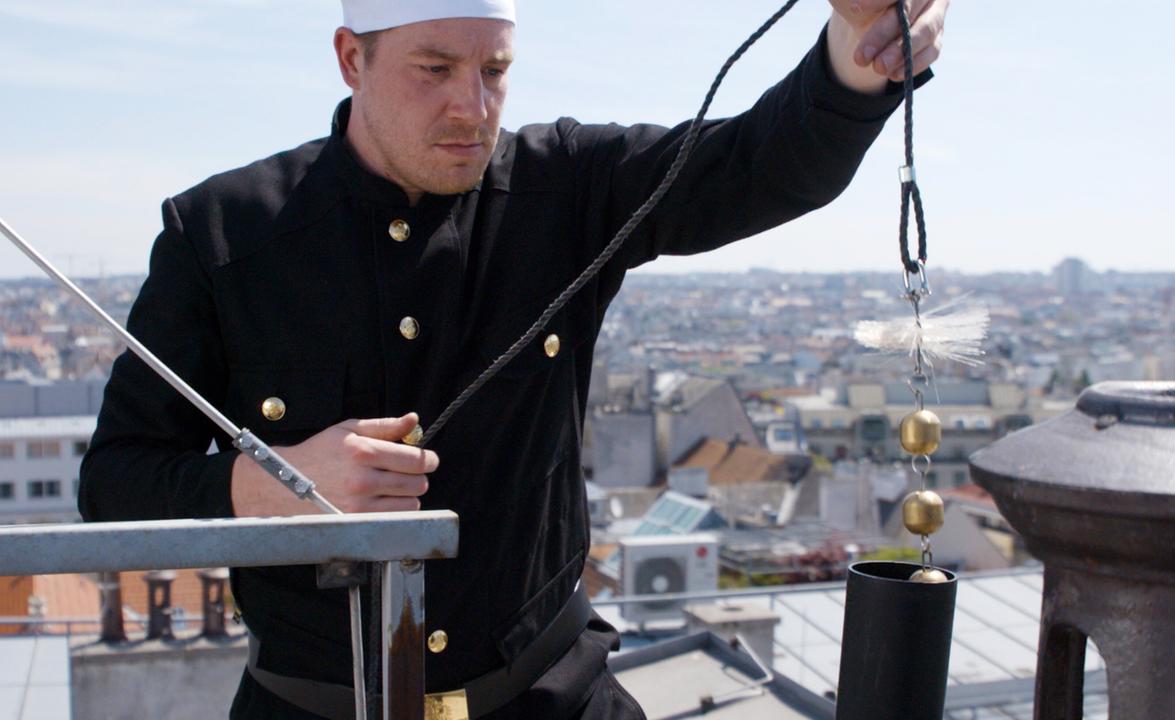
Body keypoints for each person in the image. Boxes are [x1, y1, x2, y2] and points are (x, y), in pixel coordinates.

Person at [79, 0, 949, 717]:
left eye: (494, 71)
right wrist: (274, 484)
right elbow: (114, 482)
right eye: (435, 70)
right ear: (351, 58)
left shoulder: (565, 185)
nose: (473, 107)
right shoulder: (223, 234)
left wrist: (855, 54)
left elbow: (757, 168)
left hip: (554, 696)